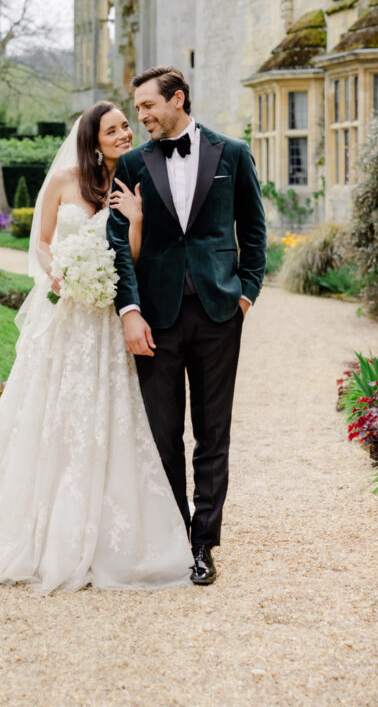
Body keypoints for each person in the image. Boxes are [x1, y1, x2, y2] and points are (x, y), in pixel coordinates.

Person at [0, 101, 193, 591]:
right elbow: (42, 242)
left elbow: (134, 257)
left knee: (108, 414)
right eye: (112, 130)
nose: (124, 134)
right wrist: (60, 271)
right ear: (92, 138)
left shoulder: (134, 180)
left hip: (107, 318)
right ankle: (37, 521)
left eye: (126, 126)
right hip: (65, 314)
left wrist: (133, 219)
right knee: (50, 410)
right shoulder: (65, 181)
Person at [107, 66, 267, 586]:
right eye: (138, 110)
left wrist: (245, 295)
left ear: (178, 99)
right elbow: (117, 248)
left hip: (220, 314)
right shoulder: (131, 163)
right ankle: (174, 535)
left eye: (149, 106)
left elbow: (255, 232)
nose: (142, 117)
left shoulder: (233, 154)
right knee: (162, 435)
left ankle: (204, 544)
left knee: (213, 434)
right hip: (155, 320)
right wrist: (129, 311)